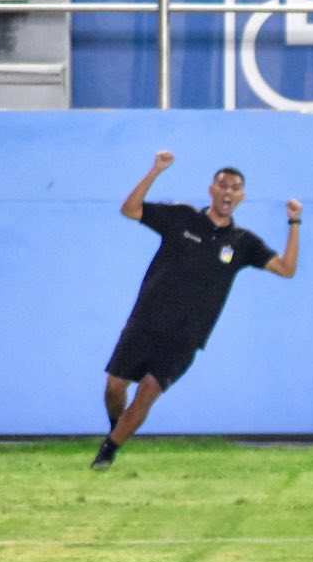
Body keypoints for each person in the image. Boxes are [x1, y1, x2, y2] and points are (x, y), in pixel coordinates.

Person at [91, 154, 300, 470]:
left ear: (241, 197)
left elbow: (286, 269)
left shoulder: (242, 243)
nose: (228, 192)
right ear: (211, 190)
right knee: (114, 387)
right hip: (146, 321)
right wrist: (155, 171)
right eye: (222, 185)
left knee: (148, 390)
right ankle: (116, 429)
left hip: (186, 335)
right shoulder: (182, 217)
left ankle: (107, 452)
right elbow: (129, 209)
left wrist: (293, 222)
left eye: (235, 188)